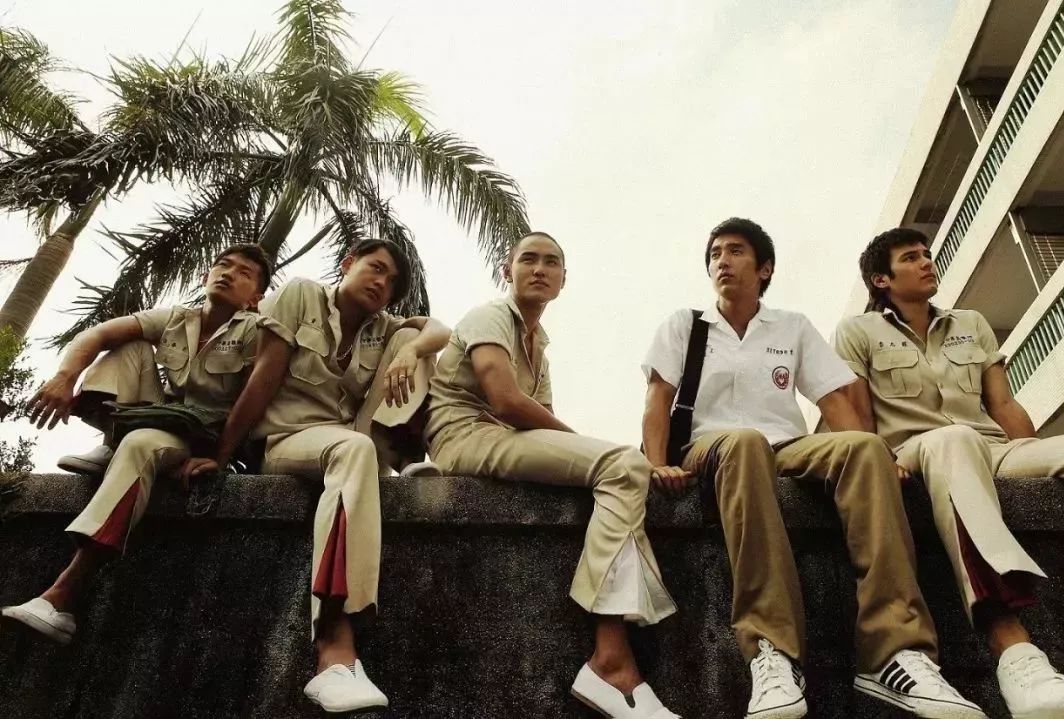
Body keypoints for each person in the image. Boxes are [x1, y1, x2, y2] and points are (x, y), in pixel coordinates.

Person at [642, 218, 985, 719]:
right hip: (712, 446)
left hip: (786, 446)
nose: (722, 261)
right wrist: (657, 466)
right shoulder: (685, 325)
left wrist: (877, 453)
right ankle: (773, 652)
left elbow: (834, 398)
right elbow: (658, 399)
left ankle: (895, 652)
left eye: (735, 251)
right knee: (745, 443)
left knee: (865, 449)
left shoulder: (792, 327)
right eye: (715, 253)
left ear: (764, 269)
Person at [178, 238, 450, 714]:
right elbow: (264, 376)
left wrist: (410, 351)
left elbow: (438, 329)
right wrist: (222, 456)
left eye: (391, 282)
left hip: (350, 440)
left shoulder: (381, 328)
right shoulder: (302, 294)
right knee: (353, 449)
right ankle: (333, 649)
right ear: (348, 264)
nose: (381, 283)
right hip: (286, 440)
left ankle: (404, 454)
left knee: (414, 346)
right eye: (375, 268)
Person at [424, 232, 680, 719]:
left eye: (551, 262)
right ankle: (610, 660)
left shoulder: (539, 347)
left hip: (502, 440)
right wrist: (590, 447)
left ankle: (614, 660)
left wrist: (587, 452)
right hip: (465, 437)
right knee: (624, 463)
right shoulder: (489, 316)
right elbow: (505, 401)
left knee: (620, 467)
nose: (539, 269)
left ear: (564, 280)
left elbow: (539, 423)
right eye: (528, 259)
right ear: (508, 271)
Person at [833, 226, 1064, 719]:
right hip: (914, 450)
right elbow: (856, 416)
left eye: (927, 253)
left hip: (991, 448)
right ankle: (1014, 649)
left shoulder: (972, 323)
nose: (927, 261)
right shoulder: (857, 332)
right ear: (881, 279)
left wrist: (1032, 453)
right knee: (954, 439)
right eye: (911, 257)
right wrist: (877, 463)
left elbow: (1002, 404)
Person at [2, 244, 272, 644]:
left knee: (141, 444)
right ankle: (112, 441)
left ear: (255, 297)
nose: (228, 274)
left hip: (202, 438)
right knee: (128, 344)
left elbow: (258, 399)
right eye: (222, 265)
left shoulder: (257, 331)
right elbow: (97, 333)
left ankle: (61, 598)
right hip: (161, 418)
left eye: (244, 273)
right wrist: (65, 377)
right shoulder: (178, 318)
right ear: (206, 276)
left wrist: (221, 457)